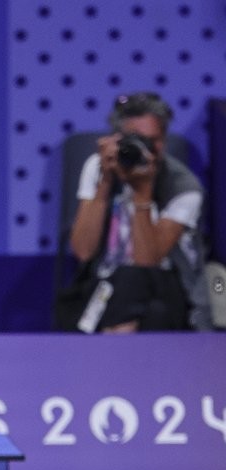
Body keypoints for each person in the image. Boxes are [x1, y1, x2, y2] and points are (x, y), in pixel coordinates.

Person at [59, 91, 210, 332]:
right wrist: (105, 185)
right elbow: (83, 251)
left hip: (166, 284)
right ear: (117, 138)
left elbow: (146, 261)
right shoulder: (98, 168)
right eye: (136, 140)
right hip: (106, 284)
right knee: (148, 311)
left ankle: (110, 342)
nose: (146, 149)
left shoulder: (184, 187)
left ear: (164, 140)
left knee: (136, 282)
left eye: (154, 140)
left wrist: (143, 193)